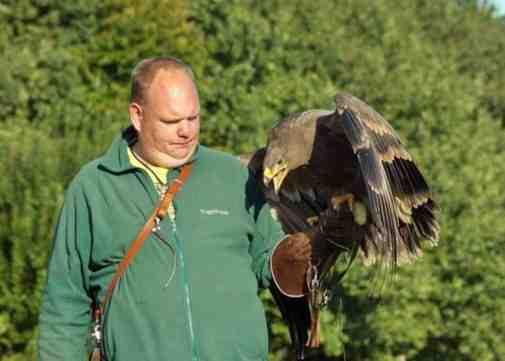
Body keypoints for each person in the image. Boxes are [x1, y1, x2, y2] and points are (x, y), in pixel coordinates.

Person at [37, 57, 311, 361]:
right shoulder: (94, 187)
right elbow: (64, 306)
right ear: (137, 116)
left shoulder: (232, 176)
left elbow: (269, 262)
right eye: (171, 121)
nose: (186, 131)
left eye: (193, 118)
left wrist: (308, 251)